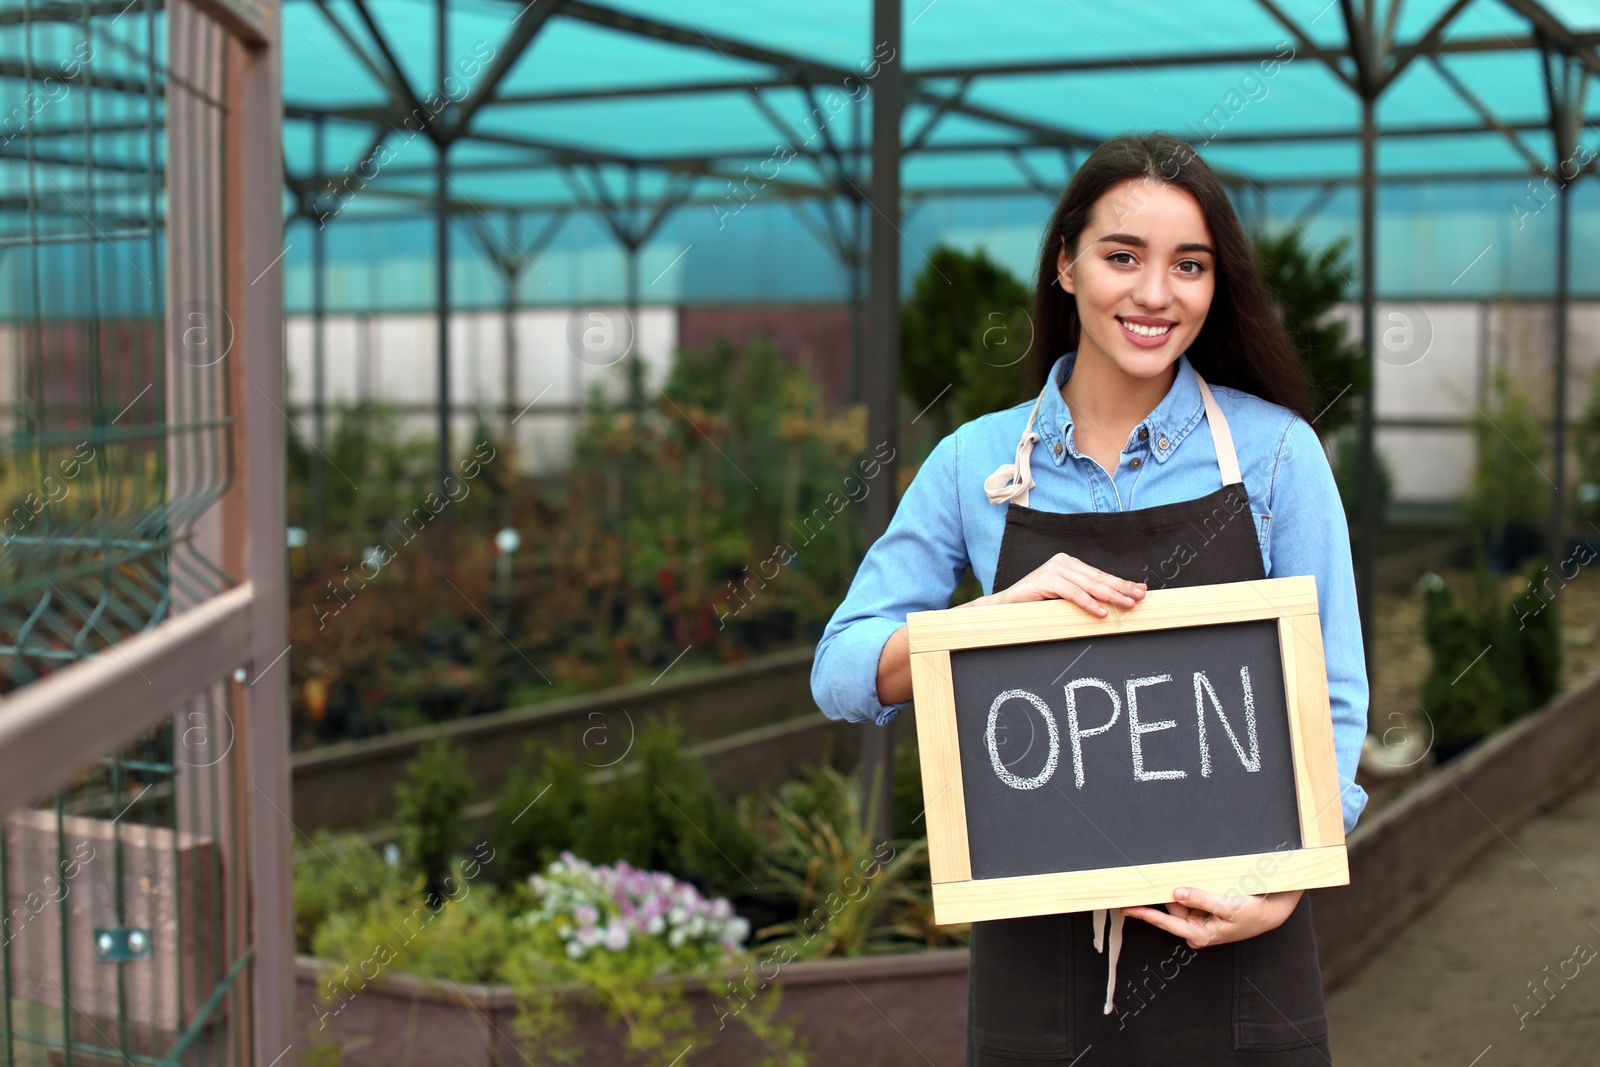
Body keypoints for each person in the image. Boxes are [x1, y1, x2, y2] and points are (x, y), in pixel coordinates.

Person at [810, 132, 1370, 1065]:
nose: (1156, 294)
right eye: (1123, 257)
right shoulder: (974, 466)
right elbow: (838, 669)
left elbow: (1334, 698)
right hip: (1037, 977)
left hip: (1239, 956)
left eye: (1189, 266)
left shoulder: (1276, 456)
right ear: (1065, 265)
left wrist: (1281, 888)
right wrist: (980, 626)